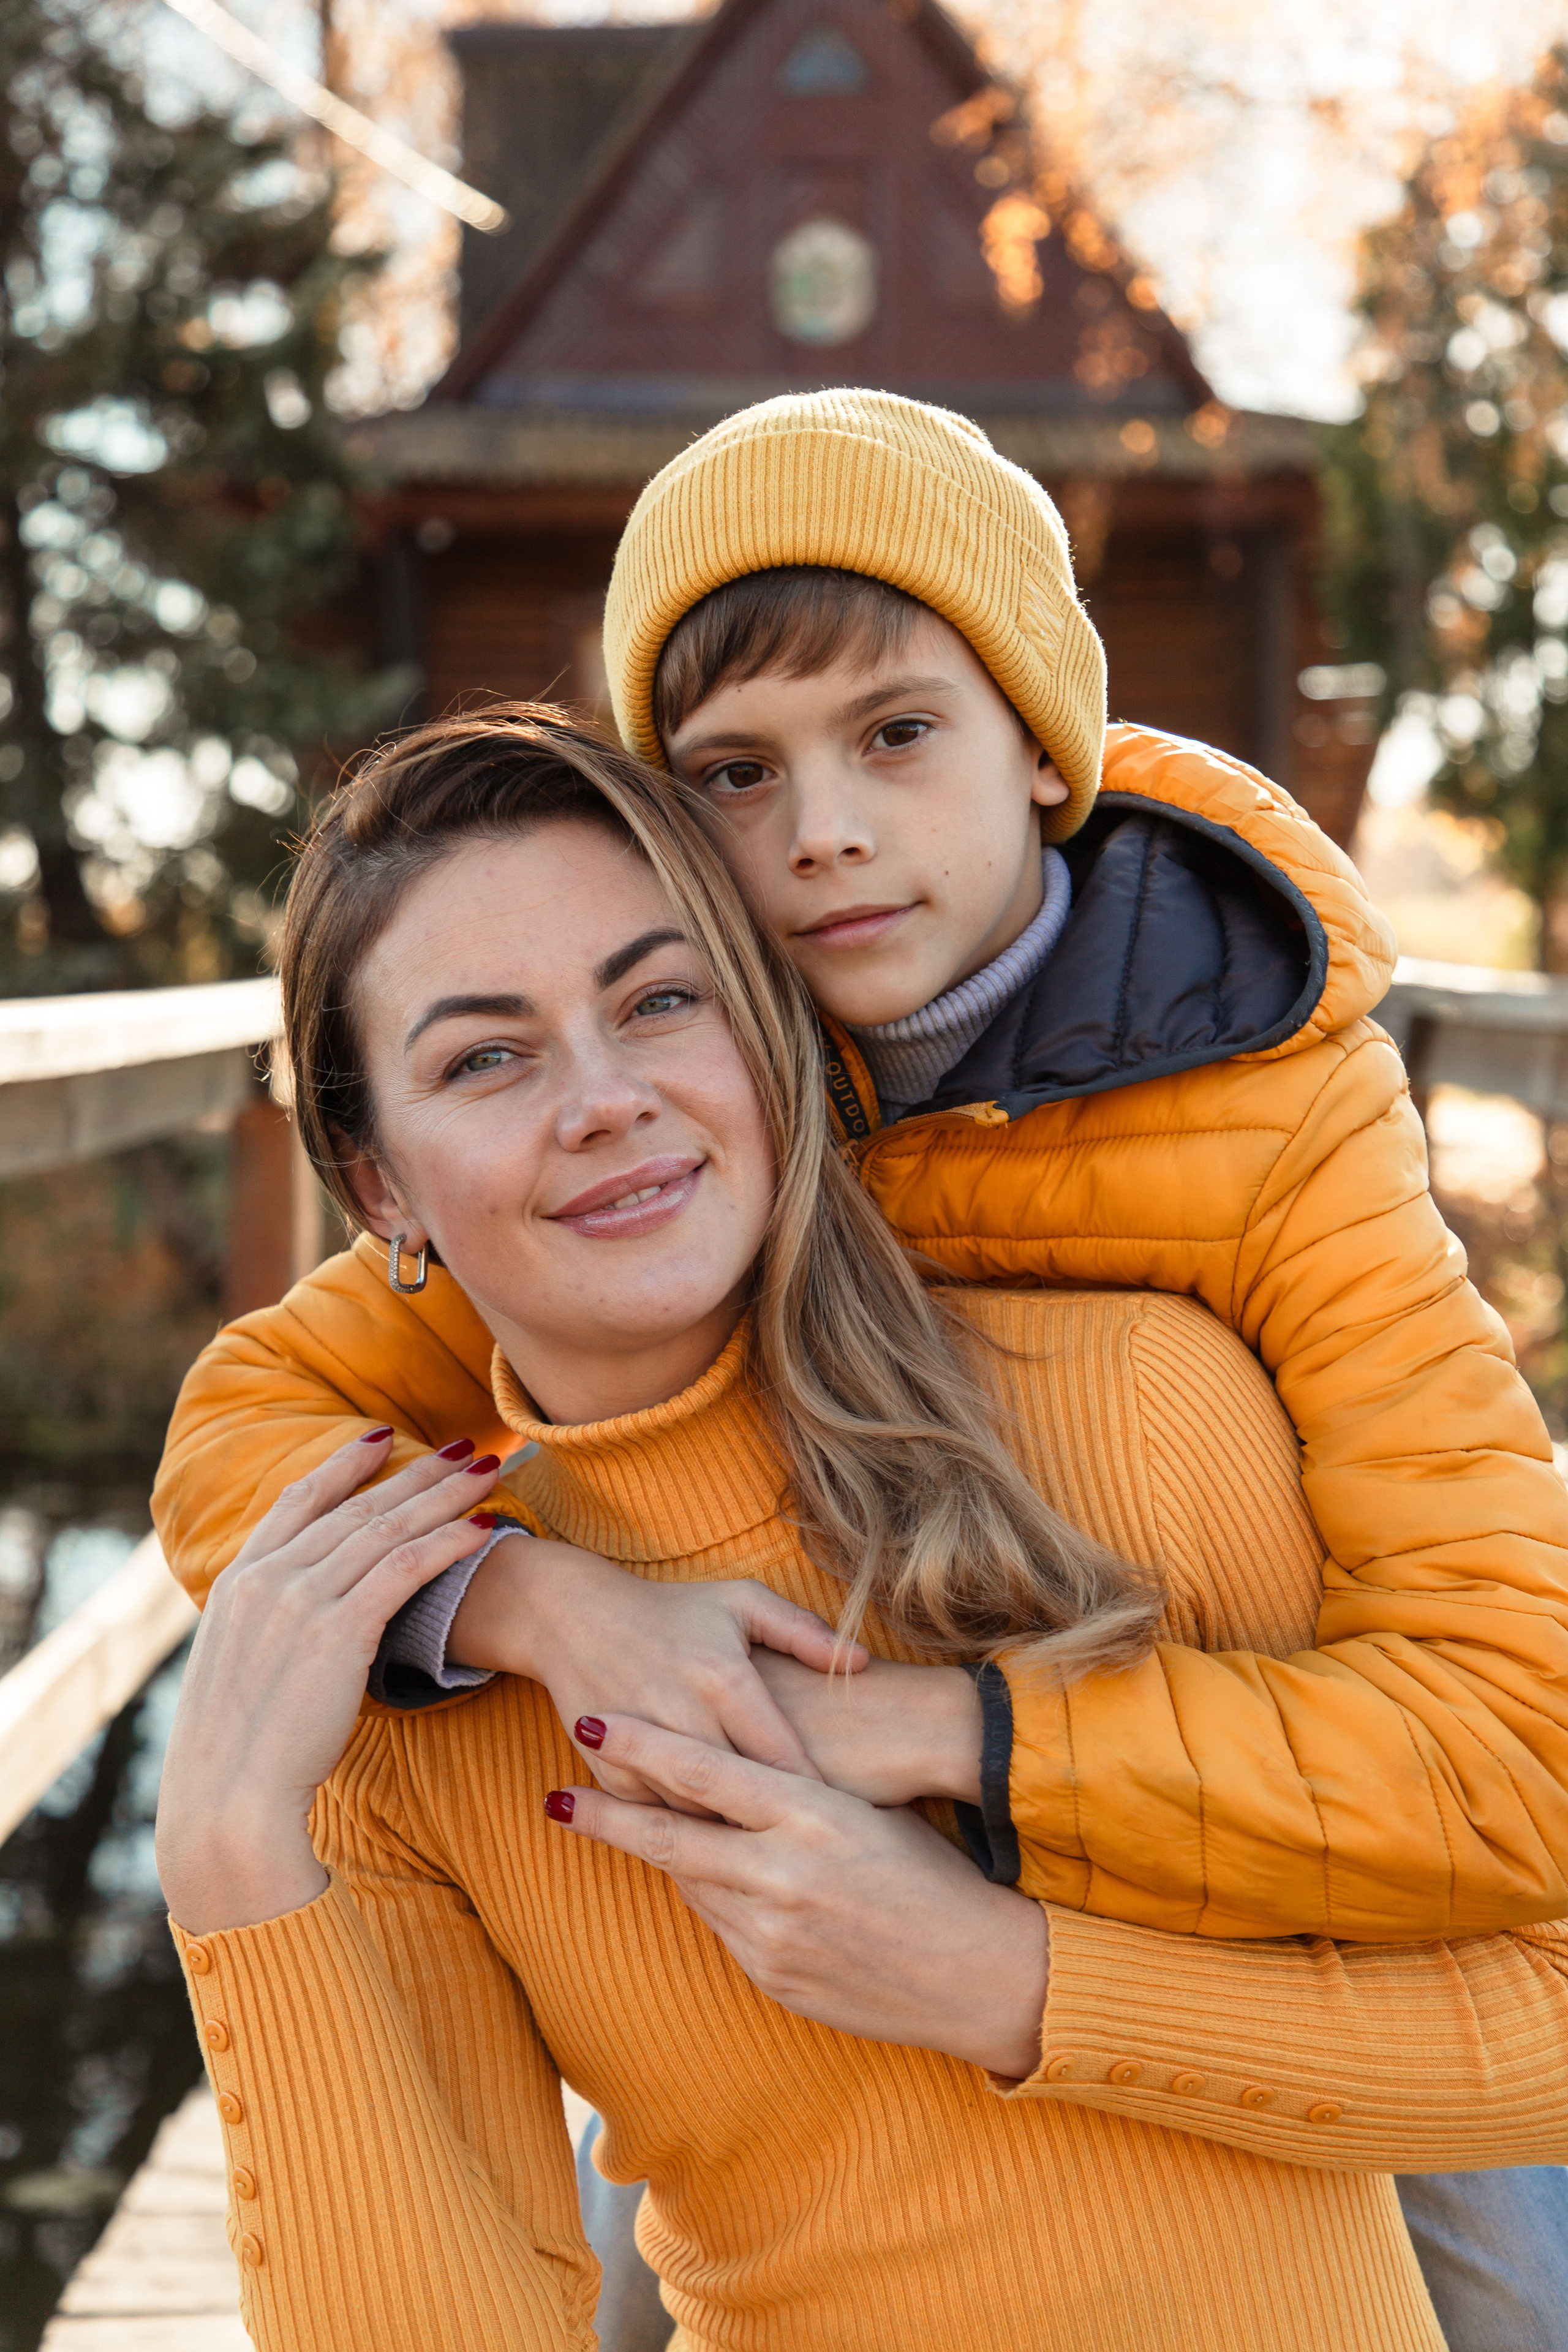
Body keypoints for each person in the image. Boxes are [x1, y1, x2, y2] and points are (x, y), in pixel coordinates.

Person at [156, 709, 1568, 2352]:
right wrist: (233, 1869)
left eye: (658, 1000)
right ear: (375, 1179)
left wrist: (1010, 1980)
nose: (606, 1101)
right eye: (486, 1056)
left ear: (768, 1031)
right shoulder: (414, 1682)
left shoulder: (1137, 1407)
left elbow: (1543, 2015)